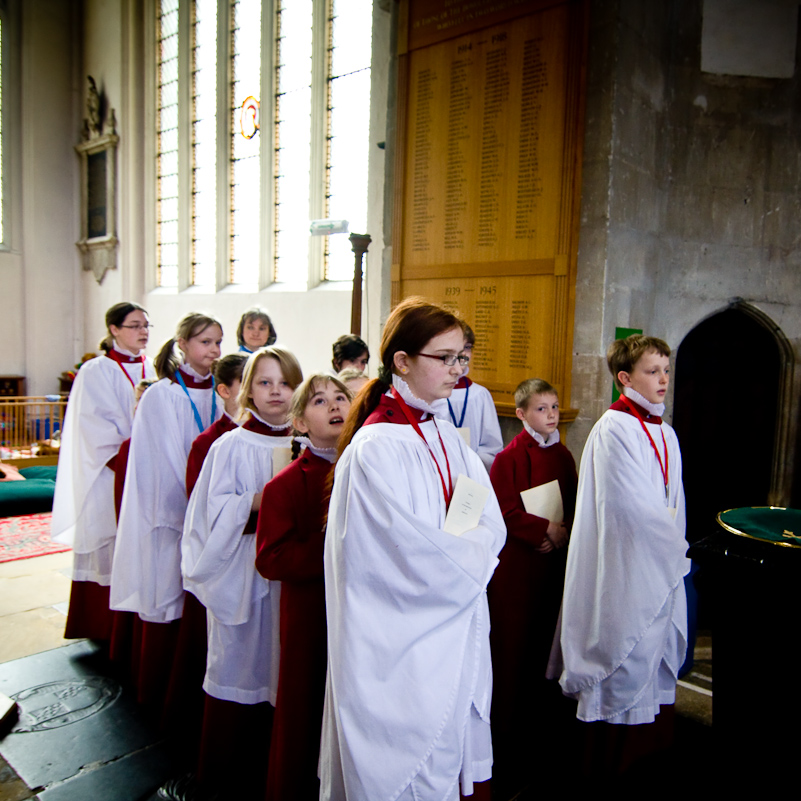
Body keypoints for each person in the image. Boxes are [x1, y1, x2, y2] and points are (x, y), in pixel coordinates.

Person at [320, 297, 506, 801]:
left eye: (461, 357)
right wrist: (470, 558)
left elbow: (490, 518)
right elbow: (401, 562)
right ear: (402, 361)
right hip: (405, 644)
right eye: (444, 358)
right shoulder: (375, 448)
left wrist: (469, 555)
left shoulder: (446, 432)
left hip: (457, 619)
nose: (457, 370)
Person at [557, 334, 690, 774]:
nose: (663, 380)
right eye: (652, 372)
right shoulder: (615, 428)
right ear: (624, 378)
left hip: (659, 562)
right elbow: (626, 507)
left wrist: (672, 548)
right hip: (626, 566)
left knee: (656, 658)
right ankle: (609, 763)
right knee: (625, 652)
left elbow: (676, 502)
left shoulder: (665, 431)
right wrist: (672, 546)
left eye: (666, 371)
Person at [182, 346, 303, 798]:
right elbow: (209, 514)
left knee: (284, 667)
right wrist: (260, 500)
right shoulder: (231, 445)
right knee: (243, 663)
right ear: (247, 390)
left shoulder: (308, 444)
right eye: (266, 383)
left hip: (291, 576)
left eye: (286, 383)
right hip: (243, 571)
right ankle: (227, 774)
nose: (277, 392)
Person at [110, 312, 223, 712]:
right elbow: (158, 460)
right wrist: (195, 498)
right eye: (205, 342)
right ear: (183, 345)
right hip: (172, 513)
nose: (213, 350)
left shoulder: (225, 392)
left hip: (211, 512)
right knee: (168, 595)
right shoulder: (162, 395)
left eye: (217, 343)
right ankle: (159, 691)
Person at [256, 373, 352, 801]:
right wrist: (332, 548)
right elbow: (270, 558)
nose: (334, 406)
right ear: (298, 423)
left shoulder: (364, 468)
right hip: (311, 615)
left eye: (340, 397)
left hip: (361, 613)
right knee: (307, 704)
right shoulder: (285, 485)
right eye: (319, 401)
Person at [487, 378, 577, 796]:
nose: (551, 415)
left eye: (555, 407)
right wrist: (544, 531)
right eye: (542, 409)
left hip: (552, 565)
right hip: (519, 568)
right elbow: (503, 510)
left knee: (544, 646)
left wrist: (562, 533)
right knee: (513, 651)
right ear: (521, 414)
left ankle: (541, 728)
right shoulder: (507, 459)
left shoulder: (563, 455)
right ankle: (505, 735)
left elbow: (577, 501)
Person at [51, 301, 156, 641]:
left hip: (142, 472)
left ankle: (133, 629)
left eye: (145, 326)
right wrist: (131, 453)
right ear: (114, 329)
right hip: (109, 473)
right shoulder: (97, 370)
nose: (143, 331)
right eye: (135, 325)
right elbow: (93, 426)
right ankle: (102, 629)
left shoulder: (153, 369)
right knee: (107, 545)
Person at [434, 325, 502, 471]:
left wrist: (470, 462)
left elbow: (493, 446)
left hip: (474, 471)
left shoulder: (479, 395)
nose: (463, 353)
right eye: (457, 347)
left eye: (467, 347)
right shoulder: (432, 393)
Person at [185, 353, 247, 496]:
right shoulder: (207, 442)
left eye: (260, 381)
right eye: (245, 382)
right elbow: (199, 502)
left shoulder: (274, 431)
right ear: (225, 391)